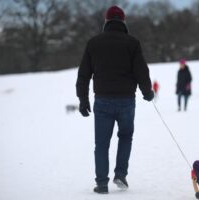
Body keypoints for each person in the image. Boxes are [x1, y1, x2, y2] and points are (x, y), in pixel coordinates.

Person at [76, 5, 154, 194]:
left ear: (106, 21)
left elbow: (84, 75)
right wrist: (147, 91)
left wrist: (83, 99)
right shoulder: (132, 43)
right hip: (126, 101)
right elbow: (141, 70)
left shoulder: (93, 43)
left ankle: (102, 183)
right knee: (125, 137)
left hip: (102, 101)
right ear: (123, 22)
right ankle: (120, 174)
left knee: (101, 143)